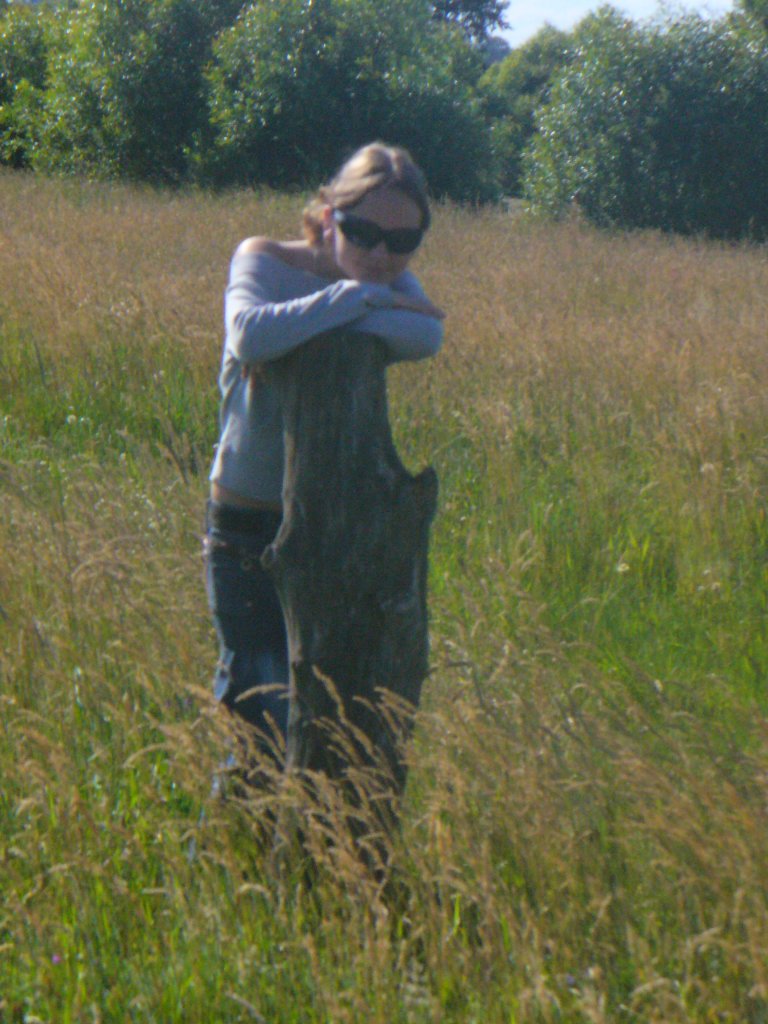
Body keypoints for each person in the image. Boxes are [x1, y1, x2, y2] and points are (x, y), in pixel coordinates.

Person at [204, 142, 445, 766]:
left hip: (333, 529)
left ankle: (316, 829)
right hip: (247, 525)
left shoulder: (386, 275)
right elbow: (250, 335)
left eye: (404, 241)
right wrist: (355, 299)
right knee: (258, 709)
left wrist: (336, 309)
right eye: (363, 232)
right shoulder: (265, 258)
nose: (381, 255)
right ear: (331, 213)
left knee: (330, 714)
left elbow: (427, 332)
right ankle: (237, 828)